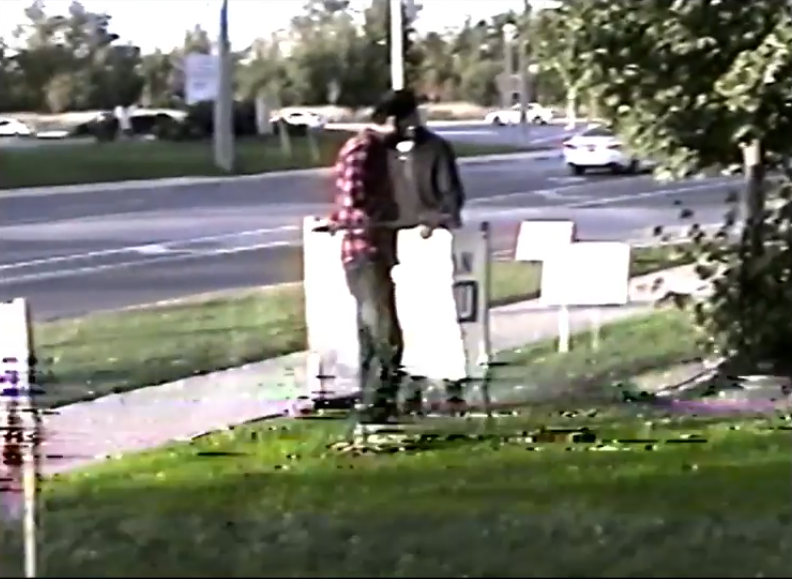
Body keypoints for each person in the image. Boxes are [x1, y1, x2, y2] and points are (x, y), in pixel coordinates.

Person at [376, 89, 469, 414]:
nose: (405, 124)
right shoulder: (383, 152)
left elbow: (451, 195)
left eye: (409, 116)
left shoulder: (436, 149)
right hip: (394, 236)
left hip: (429, 237)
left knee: (438, 310)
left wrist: (434, 221)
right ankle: (412, 380)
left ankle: (450, 381)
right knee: (405, 314)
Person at [327, 109, 404, 426]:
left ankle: (373, 402)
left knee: (372, 334)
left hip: (374, 252)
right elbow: (352, 197)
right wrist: (379, 218)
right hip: (364, 251)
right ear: (392, 121)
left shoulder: (377, 151)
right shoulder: (364, 148)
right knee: (385, 333)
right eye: (409, 122)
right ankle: (378, 403)